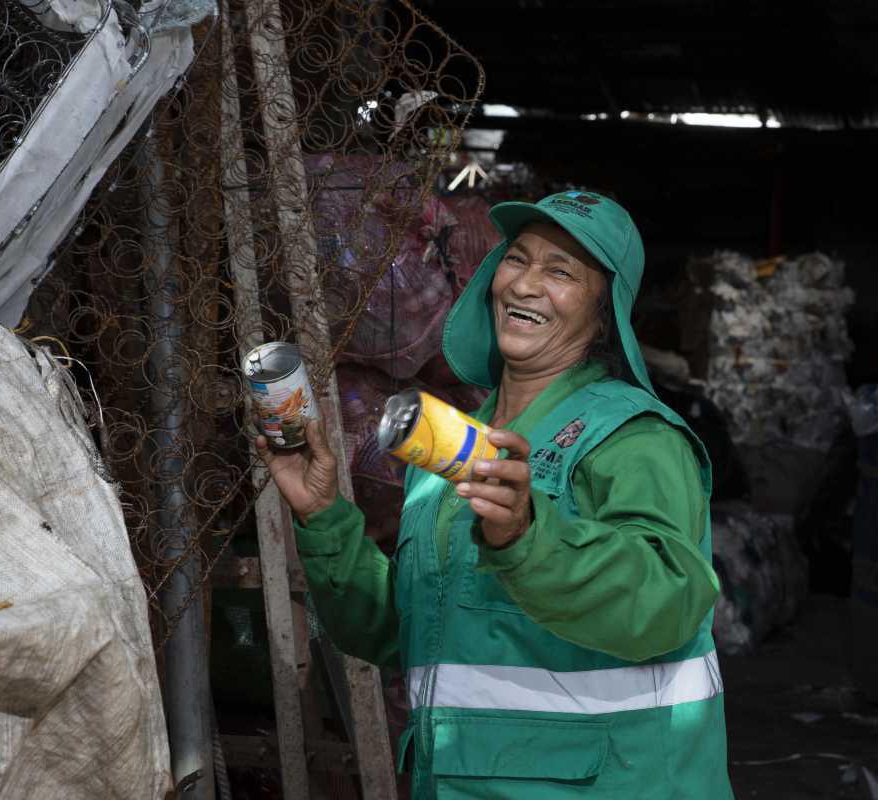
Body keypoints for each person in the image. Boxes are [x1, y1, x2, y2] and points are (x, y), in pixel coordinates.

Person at [258, 191, 733, 798]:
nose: (526, 284)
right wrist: (324, 516)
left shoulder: (634, 438)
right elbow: (408, 631)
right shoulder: (449, 455)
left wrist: (530, 537)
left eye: (561, 271)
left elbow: (668, 602)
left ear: (603, 310)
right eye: (518, 260)